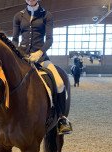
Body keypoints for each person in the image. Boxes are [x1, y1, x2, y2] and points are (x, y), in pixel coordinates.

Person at [12, 0, 72, 135]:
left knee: (60, 83)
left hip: (41, 58)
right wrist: (16, 52)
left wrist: (39, 53)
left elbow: (49, 39)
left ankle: (62, 119)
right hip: (22, 57)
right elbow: (15, 39)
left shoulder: (47, 15)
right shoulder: (18, 16)